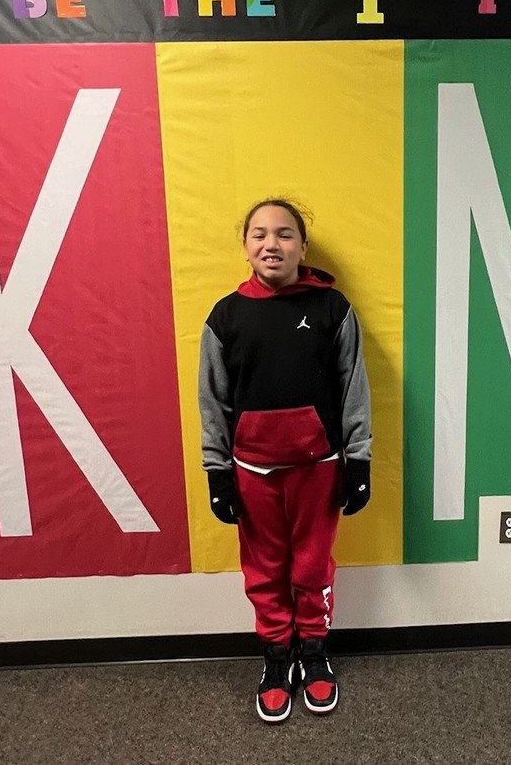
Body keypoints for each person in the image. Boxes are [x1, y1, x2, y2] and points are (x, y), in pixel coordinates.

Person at [198, 198, 372, 723]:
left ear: (302, 245)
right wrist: (217, 472)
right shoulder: (225, 316)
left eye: (284, 234)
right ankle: (277, 657)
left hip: (319, 467)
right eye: (259, 234)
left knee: (312, 565)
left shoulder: (331, 309)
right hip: (251, 472)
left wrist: (359, 460)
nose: (271, 244)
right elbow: (214, 400)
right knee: (266, 569)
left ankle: (314, 652)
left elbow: (353, 388)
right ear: (246, 245)